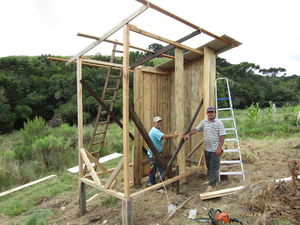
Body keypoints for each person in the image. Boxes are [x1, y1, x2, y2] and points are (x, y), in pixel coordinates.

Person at [183, 106, 226, 192]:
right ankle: (213, 181)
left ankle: (212, 185)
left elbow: (222, 136)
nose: (210, 114)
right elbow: (196, 129)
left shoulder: (219, 123)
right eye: (209, 112)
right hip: (207, 149)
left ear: (215, 113)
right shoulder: (204, 122)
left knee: (214, 167)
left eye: (212, 112)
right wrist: (188, 134)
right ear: (207, 113)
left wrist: (219, 148)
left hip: (215, 150)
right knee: (209, 167)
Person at [148, 116, 178, 189]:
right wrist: (174, 135)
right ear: (154, 123)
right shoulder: (154, 131)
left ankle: (151, 183)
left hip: (154, 154)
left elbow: (162, 138)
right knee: (162, 170)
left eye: (160, 122)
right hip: (154, 155)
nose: (159, 123)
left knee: (153, 170)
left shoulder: (156, 130)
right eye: (157, 122)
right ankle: (160, 187)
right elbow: (164, 136)